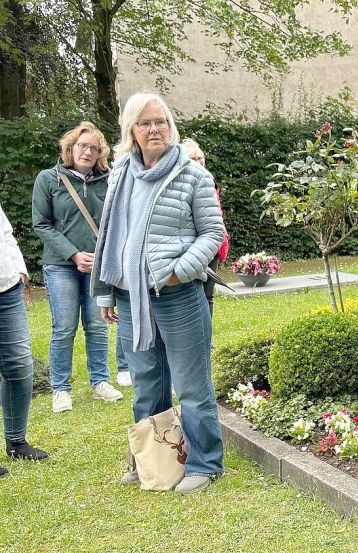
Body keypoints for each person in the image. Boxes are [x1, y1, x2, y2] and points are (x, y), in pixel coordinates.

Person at [91, 92, 226, 494]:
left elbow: (212, 234)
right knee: (147, 382)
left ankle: (204, 463)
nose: (156, 129)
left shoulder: (192, 175)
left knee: (191, 384)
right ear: (132, 130)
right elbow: (111, 239)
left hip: (178, 296)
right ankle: (152, 458)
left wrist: (178, 272)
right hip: (131, 297)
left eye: (162, 121)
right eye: (146, 123)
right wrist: (104, 292)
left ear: (171, 126)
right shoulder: (120, 174)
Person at [32, 121, 125, 413]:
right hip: (61, 265)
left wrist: (103, 255)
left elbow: (116, 222)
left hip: (97, 265)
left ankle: (100, 382)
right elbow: (41, 224)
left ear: (100, 154)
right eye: (81, 146)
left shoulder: (109, 181)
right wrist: (73, 254)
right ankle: (61, 389)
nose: (87, 151)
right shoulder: (49, 179)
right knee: (64, 327)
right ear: (70, 148)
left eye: (94, 148)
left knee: (98, 325)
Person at [0, 203, 50, 477]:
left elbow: (5, 234)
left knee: (19, 368)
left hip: (6, 289)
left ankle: (16, 441)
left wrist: (19, 270)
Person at [180, 138, 230, 317]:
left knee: (208, 294)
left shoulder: (210, 182)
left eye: (200, 158)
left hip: (212, 246)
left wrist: (221, 243)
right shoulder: (181, 185)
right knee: (192, 293)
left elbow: (217, 217)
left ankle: (207, 339)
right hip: (191, 247)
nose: (199, 162)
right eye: (193, 159)